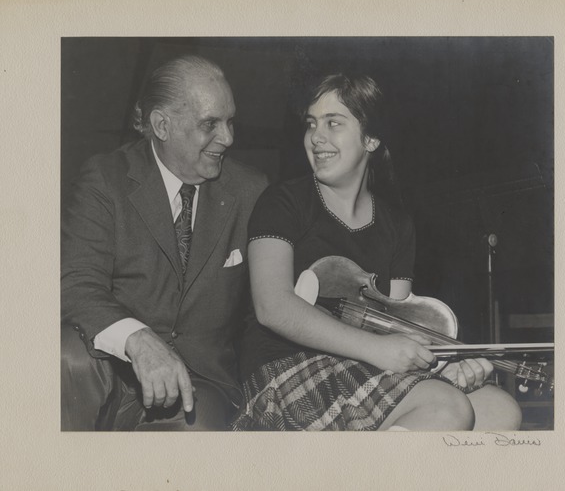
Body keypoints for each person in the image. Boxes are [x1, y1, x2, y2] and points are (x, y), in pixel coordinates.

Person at [232, 73, 522, 431]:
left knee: (500, 408)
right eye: (312, 124)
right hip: (287, 370)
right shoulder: (282, 202)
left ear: (370, 138)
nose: (316, 137)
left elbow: (398, 327)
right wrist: (375, 350)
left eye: (333, 123)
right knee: (445, 407)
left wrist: (448, 365)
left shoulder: (397, 225)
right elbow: (272, 307)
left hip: (363, 370)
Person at [61, 55, 268, 430]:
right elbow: (74, 282)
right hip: (109, 371)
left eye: (230, 120)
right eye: (210, 124)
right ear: (162, 125)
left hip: (199, 384)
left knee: (196, 439)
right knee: (64, 356)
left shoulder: (251, 191)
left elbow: (273, 303)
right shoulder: (105, 180)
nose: (228, 138)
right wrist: (137, 339)